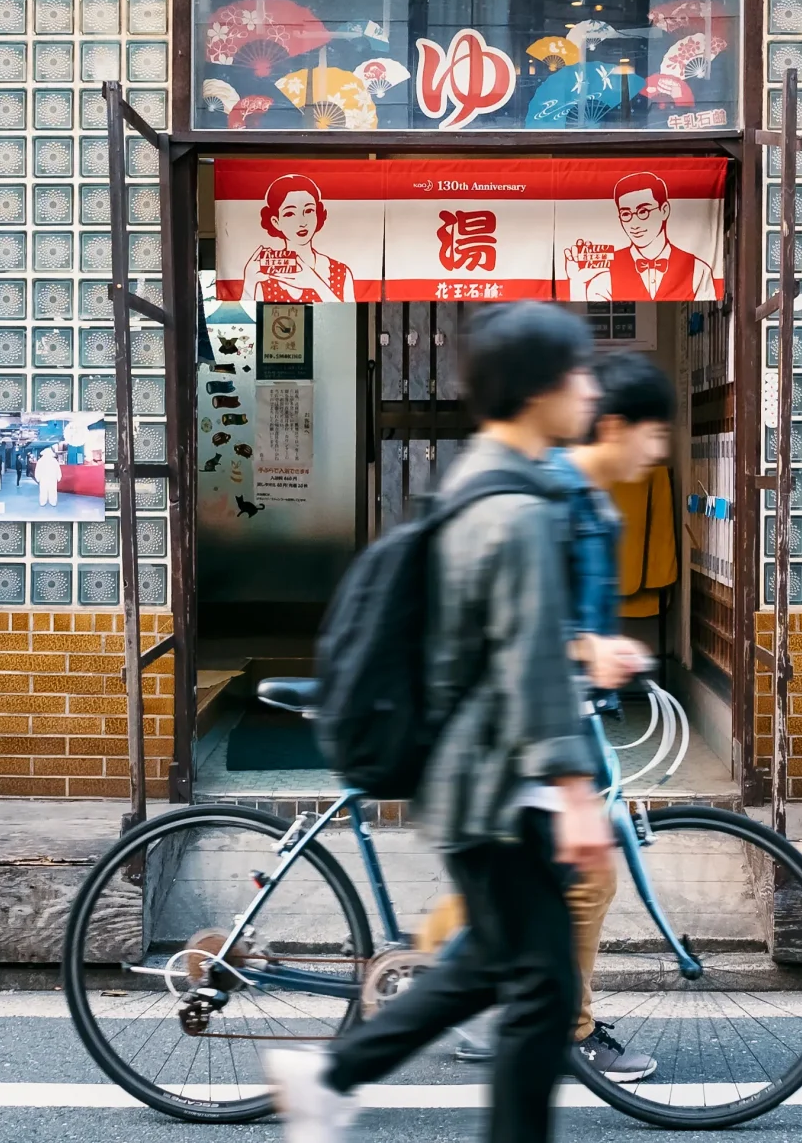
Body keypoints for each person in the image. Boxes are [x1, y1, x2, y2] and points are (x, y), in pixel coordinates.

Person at [267, 302, 611, 1143]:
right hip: (499, 789)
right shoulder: (520, 508)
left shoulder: (479, 480)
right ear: (536, 388)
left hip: (473, 784)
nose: (590, 386)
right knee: (542, 994)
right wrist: (576, 788)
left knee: (509, 970)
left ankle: (333, 1073)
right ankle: (332, 1073)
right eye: (577, 370)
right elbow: (528, 658)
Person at [456, 350, 674, 1083]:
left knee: (518, 885)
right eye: (654, 433)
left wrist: (598, 652)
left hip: (533, 719)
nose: (661, 450)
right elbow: (523, 628)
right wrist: (588, 653)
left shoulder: (584, 499)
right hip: (524, 723)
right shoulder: (553, 498)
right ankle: (565, 1029)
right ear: (612, 425)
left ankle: (497, 1009)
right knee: (587, 879)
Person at [570, 172, 717, 302]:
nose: (634, 224)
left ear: (664, 210)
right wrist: (577, 283)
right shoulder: (605, 273)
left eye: (643, 211)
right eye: (626, 214)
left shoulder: (698, 269)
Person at [234, 173, 355, 303]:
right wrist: (249, 282)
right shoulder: (263, 274)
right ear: (276, 221)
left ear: (317, 214)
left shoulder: (339, 273)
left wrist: (316, 284)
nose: (302, 222)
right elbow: (246, 319)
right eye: (290, 213)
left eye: (309, 211)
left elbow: (350, 318)